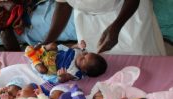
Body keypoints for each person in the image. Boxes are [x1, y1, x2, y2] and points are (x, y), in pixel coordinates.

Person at [37, 0, 166, 55]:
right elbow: (63, 5)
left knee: (140, 58)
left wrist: (116, 27)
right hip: (88, 20)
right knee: (98, 65)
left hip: (127, 15)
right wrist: (47, 40)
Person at [25, 40, 107, 82]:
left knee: (43, 70)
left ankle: (34, 58)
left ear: (84, 70)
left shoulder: (76, 73)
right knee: (53, 45)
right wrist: (78, 45)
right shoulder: (80, 53)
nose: (82, 55)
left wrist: (63, 76)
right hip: (54, 54)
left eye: (83, 59)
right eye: (86, 54)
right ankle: (40, 51)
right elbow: (72, 47)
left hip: (50, 66)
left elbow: (64, 79)